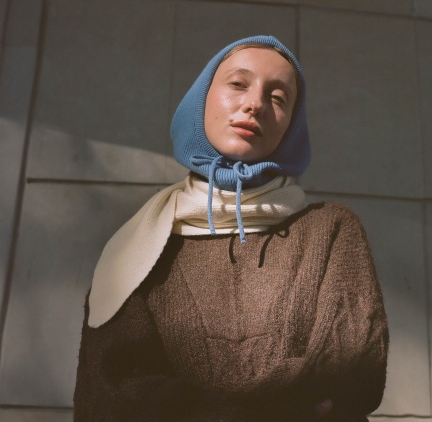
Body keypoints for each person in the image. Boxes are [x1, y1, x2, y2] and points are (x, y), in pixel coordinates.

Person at [73, 35, 388, 421]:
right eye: (238, 84)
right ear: (201, 100)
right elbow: (111, 394)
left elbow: (351, 375)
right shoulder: (141, 245)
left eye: (278, 98)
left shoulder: (331, 230)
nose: (255, 104)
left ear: (292, 126)